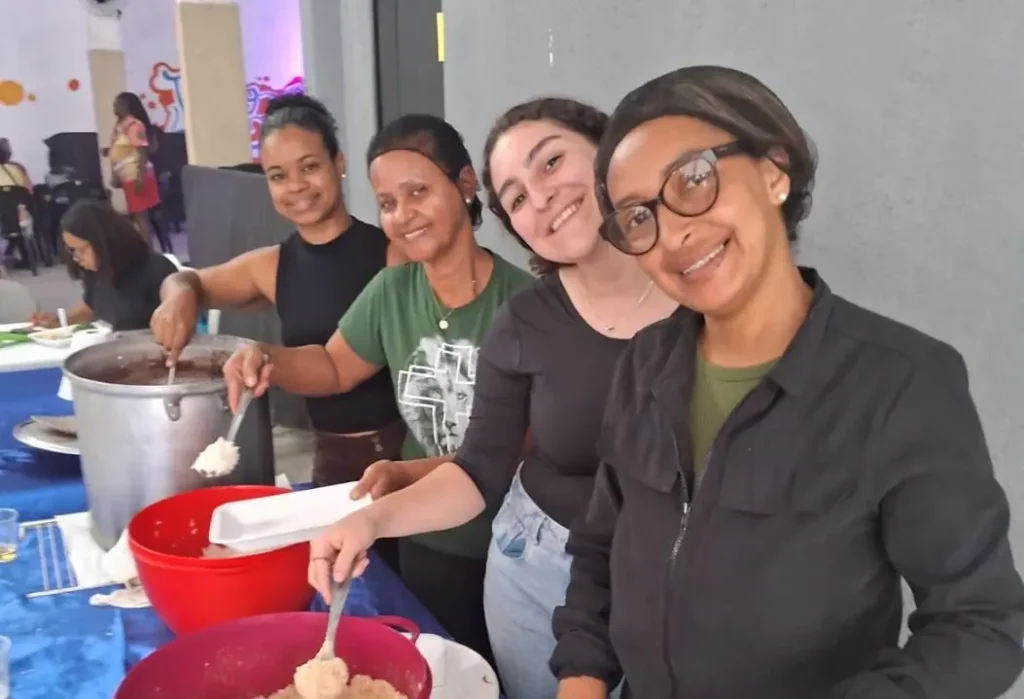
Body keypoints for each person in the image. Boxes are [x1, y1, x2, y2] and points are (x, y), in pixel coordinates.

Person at [546, 65, 1024, 699]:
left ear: (774, 170)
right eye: (639, 217)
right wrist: (581, 680)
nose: (674, 233)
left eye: (693, 180)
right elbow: (601, 547)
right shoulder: (646, 364)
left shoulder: (900, 383)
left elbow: (983, 624)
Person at [306, 98, 676, 699]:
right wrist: (369, 522)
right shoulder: (526, 319)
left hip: (675, 575)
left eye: (552, 162)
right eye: (519, 198)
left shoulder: (701, 296)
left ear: (611, 153)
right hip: (536, 570)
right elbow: (479, 469)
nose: (543, 197)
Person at [223, 113, 535, 663]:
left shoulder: (525, 304)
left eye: (418, 192)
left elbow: (529, 443)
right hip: (426, 539)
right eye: (388, 203)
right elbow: (333, 365)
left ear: (465, 185)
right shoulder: (392, 289)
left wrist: (410, 472)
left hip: (510, 546)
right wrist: (266, 358)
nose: (402, 215)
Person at [150, 95, 407, 564]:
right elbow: (185, 278)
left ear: (339, 163)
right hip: (328, 462)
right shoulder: (273, 265)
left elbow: (339, 364)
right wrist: (178, 296)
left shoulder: (391, 255)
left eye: (309, 166)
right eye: (278, 175)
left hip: (401, 462)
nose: (296, 187)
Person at [30, 199, 176, 331]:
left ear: (105, 242)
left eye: (82, 249)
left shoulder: (156, 270)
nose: (76, 258)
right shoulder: (98, 270)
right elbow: (90, 308)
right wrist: (58, 321)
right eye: (73, 250)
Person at [105, 92, 172, 253]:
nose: (114, 106)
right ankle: (147, 251)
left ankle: (148, 254)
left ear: (127, 106)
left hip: (138, 175)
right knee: (138, 216)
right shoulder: (120, 126)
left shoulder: (134, 125)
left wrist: (140, 177)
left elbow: (141, 151)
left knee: (141, 217)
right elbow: (121, 149)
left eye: (117, 103)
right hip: (127, 177)